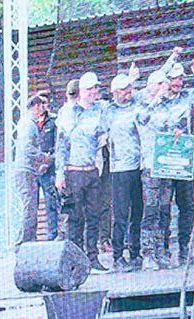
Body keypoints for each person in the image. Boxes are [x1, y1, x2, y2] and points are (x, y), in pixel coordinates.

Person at [142, 67, 194, 268]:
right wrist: (156, 97)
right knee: (150, 210)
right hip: (149, 166)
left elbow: (176, 124)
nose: (164, 87)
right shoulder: (144, 104)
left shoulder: (168, 106)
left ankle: (164, 251)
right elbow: (142, 119)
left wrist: (177, 131)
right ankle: (149, 253)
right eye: (161, 84)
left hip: (169, 165)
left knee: (165, 210)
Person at [56, 71, 109, 264]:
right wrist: (59, 173)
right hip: (73, 171)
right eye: (90, 88)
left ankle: (92, 257)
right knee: (75, 218)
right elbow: (61, 145)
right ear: (81, 91)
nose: (94, 91)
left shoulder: (100, 109)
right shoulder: (68, 112)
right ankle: (74, 260)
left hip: (91, 170)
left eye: (96, 88)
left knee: (94, 215)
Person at [106, 74, 146, 271]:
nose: (127, 92)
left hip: (138, 166)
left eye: (129, 88)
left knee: (137, 213)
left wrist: (172, 59)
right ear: (114, 92)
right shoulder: (108, 110)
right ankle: (117, 255)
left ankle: (135, 252)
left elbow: (155, 88)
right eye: (123, 90)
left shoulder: (136, 104)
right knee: (121, 214)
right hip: (119, 169)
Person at [14, 92, 56, 245]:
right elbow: (27, 148)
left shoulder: (27, 123)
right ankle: (24, 242)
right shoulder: (28, 124)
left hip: (28, 170)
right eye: (39, 106)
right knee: (30, 208)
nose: (42, 109)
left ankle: (29, 240)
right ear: (34, 106)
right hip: (25, 171)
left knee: (32, 206)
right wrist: (43, 157)